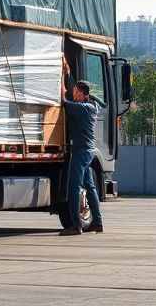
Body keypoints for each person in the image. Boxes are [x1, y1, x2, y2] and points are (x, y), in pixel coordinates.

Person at [59, 58, 103, 236]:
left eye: (76, 92)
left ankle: (76, 226)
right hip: (88, 151)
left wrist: (60, 82)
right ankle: (98, 223)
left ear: (83, 94)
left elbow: (64, 100)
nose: (73, 93)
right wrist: (68, 73)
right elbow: (71, 95)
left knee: (73, 187)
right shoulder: (91, 106)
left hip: (80, 152)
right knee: (90, 187)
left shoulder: (82, 108)